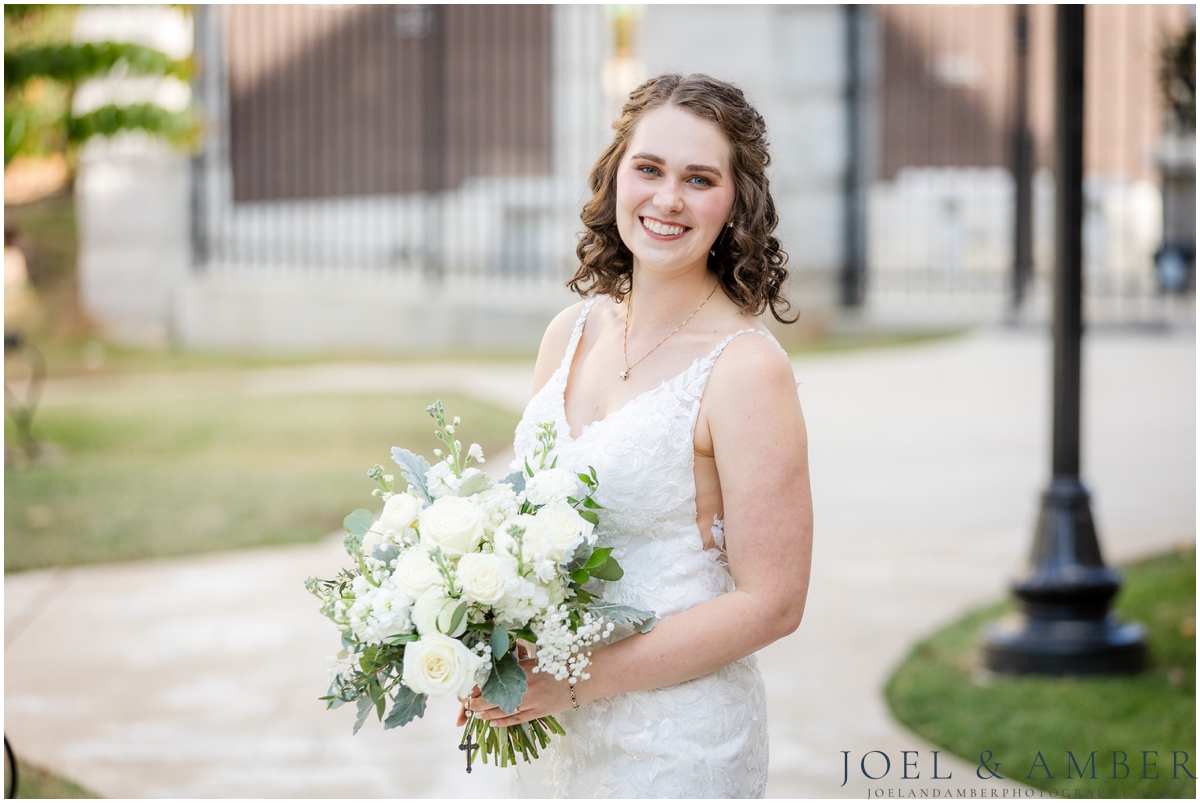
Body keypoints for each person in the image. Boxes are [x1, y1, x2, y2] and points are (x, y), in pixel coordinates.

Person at [461, 73, 813, 798]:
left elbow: (773, 601)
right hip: (546, 731)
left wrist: (577, 679)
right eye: (649, 168)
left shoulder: (744, 369)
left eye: (700, 178)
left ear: (736, 203)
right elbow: (523, 521)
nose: (667, 199)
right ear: (616, 172)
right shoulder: (570, 331)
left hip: (674, 744)